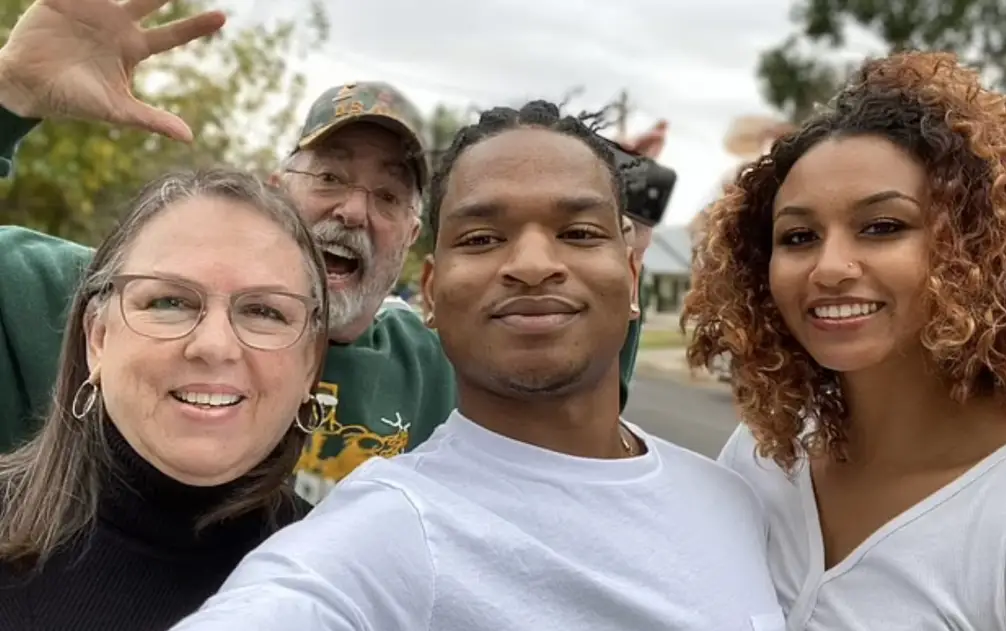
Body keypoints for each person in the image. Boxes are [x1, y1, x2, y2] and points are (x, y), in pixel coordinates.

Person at [0, 0, 650, 504]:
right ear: (276, 189)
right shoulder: (115, 302)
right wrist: (10, 94)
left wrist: (616, 249)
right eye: (331, 176)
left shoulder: (434, 364)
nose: (355, 210)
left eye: (390, 196)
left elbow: (576, 395)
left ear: (412, 238)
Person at [167, 100, 784, 631]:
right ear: (430, 292)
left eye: (579, 232)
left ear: (630, 273)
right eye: (482, 239)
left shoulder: (738, 500)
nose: (535, 263)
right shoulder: (387, 528)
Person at [685, 51, 1006, 630]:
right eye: (798, 236)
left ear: (978, 247)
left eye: (883, 226)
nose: (830, 267)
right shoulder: (764, 457)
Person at [0, 168, 330, 631]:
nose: (214, 346)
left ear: (310, 365)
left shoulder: (351, 581)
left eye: (264, 311)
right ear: (97, 338)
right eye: (170, 302)